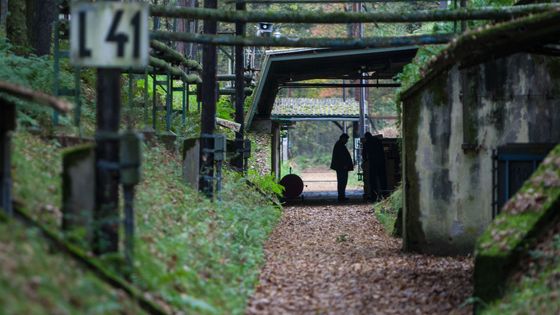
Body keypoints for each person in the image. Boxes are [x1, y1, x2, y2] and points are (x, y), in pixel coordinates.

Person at [330, 134, 354, 202]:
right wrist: (345, 165)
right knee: (342, 181)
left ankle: (341, 195)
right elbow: (341, 157)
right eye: (346, 139)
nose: (347, 141)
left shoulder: (339, 145)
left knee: (342, 182)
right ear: (343, 138)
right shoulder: (340, 145)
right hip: (342, 167)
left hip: (341, 167)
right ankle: (341, 196)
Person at [365, 132, 387, 201]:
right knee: (382, 179)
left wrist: (365, 160)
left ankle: (374, 196)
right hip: (381, 163)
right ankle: (384, 195)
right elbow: (382, 151)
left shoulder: (367, 143)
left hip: (373, 163)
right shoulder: (378, 141)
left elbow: (364, 154)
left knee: (373, 181)